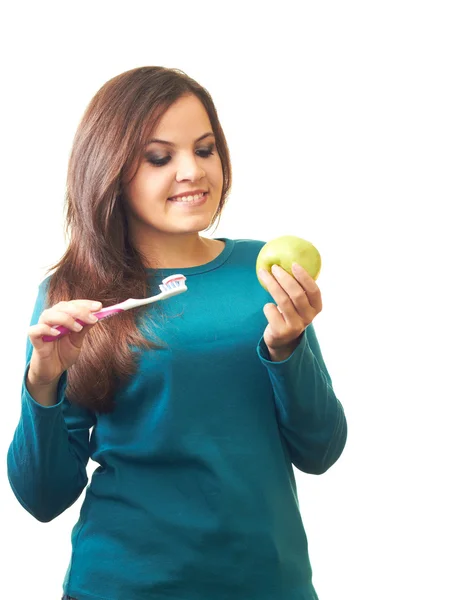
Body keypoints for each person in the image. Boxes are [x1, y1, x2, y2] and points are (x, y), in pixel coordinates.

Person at [7, 66, 347, 600]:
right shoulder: (73, 295)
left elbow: (321, 449)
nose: (192, 171)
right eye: (160, 157)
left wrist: (287, 348)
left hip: (267, 584)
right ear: (112, 169)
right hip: (120, 587)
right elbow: (43, 496)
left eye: (206, 149)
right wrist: (43, 380)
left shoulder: (263, 272)